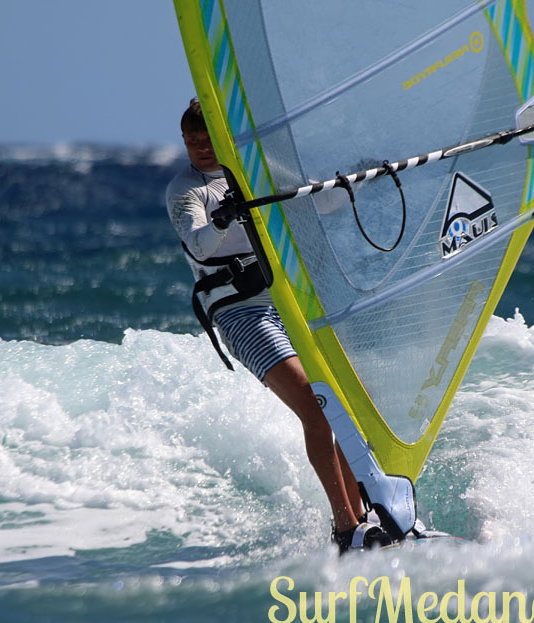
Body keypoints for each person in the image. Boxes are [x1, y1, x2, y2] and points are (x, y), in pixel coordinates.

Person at [166, 98, 393, 553]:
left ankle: (370, 520)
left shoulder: (256, 171)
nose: (198, 149)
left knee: (339, 404)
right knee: (314, 404)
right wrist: (225, 218)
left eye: (205, 139)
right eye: (190, 141)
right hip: (239, 313)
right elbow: (200, 245)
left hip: (288, 307)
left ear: (223, 136)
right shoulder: (187, 191)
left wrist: (365, 174)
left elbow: (320, 202)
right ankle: (345, 527)